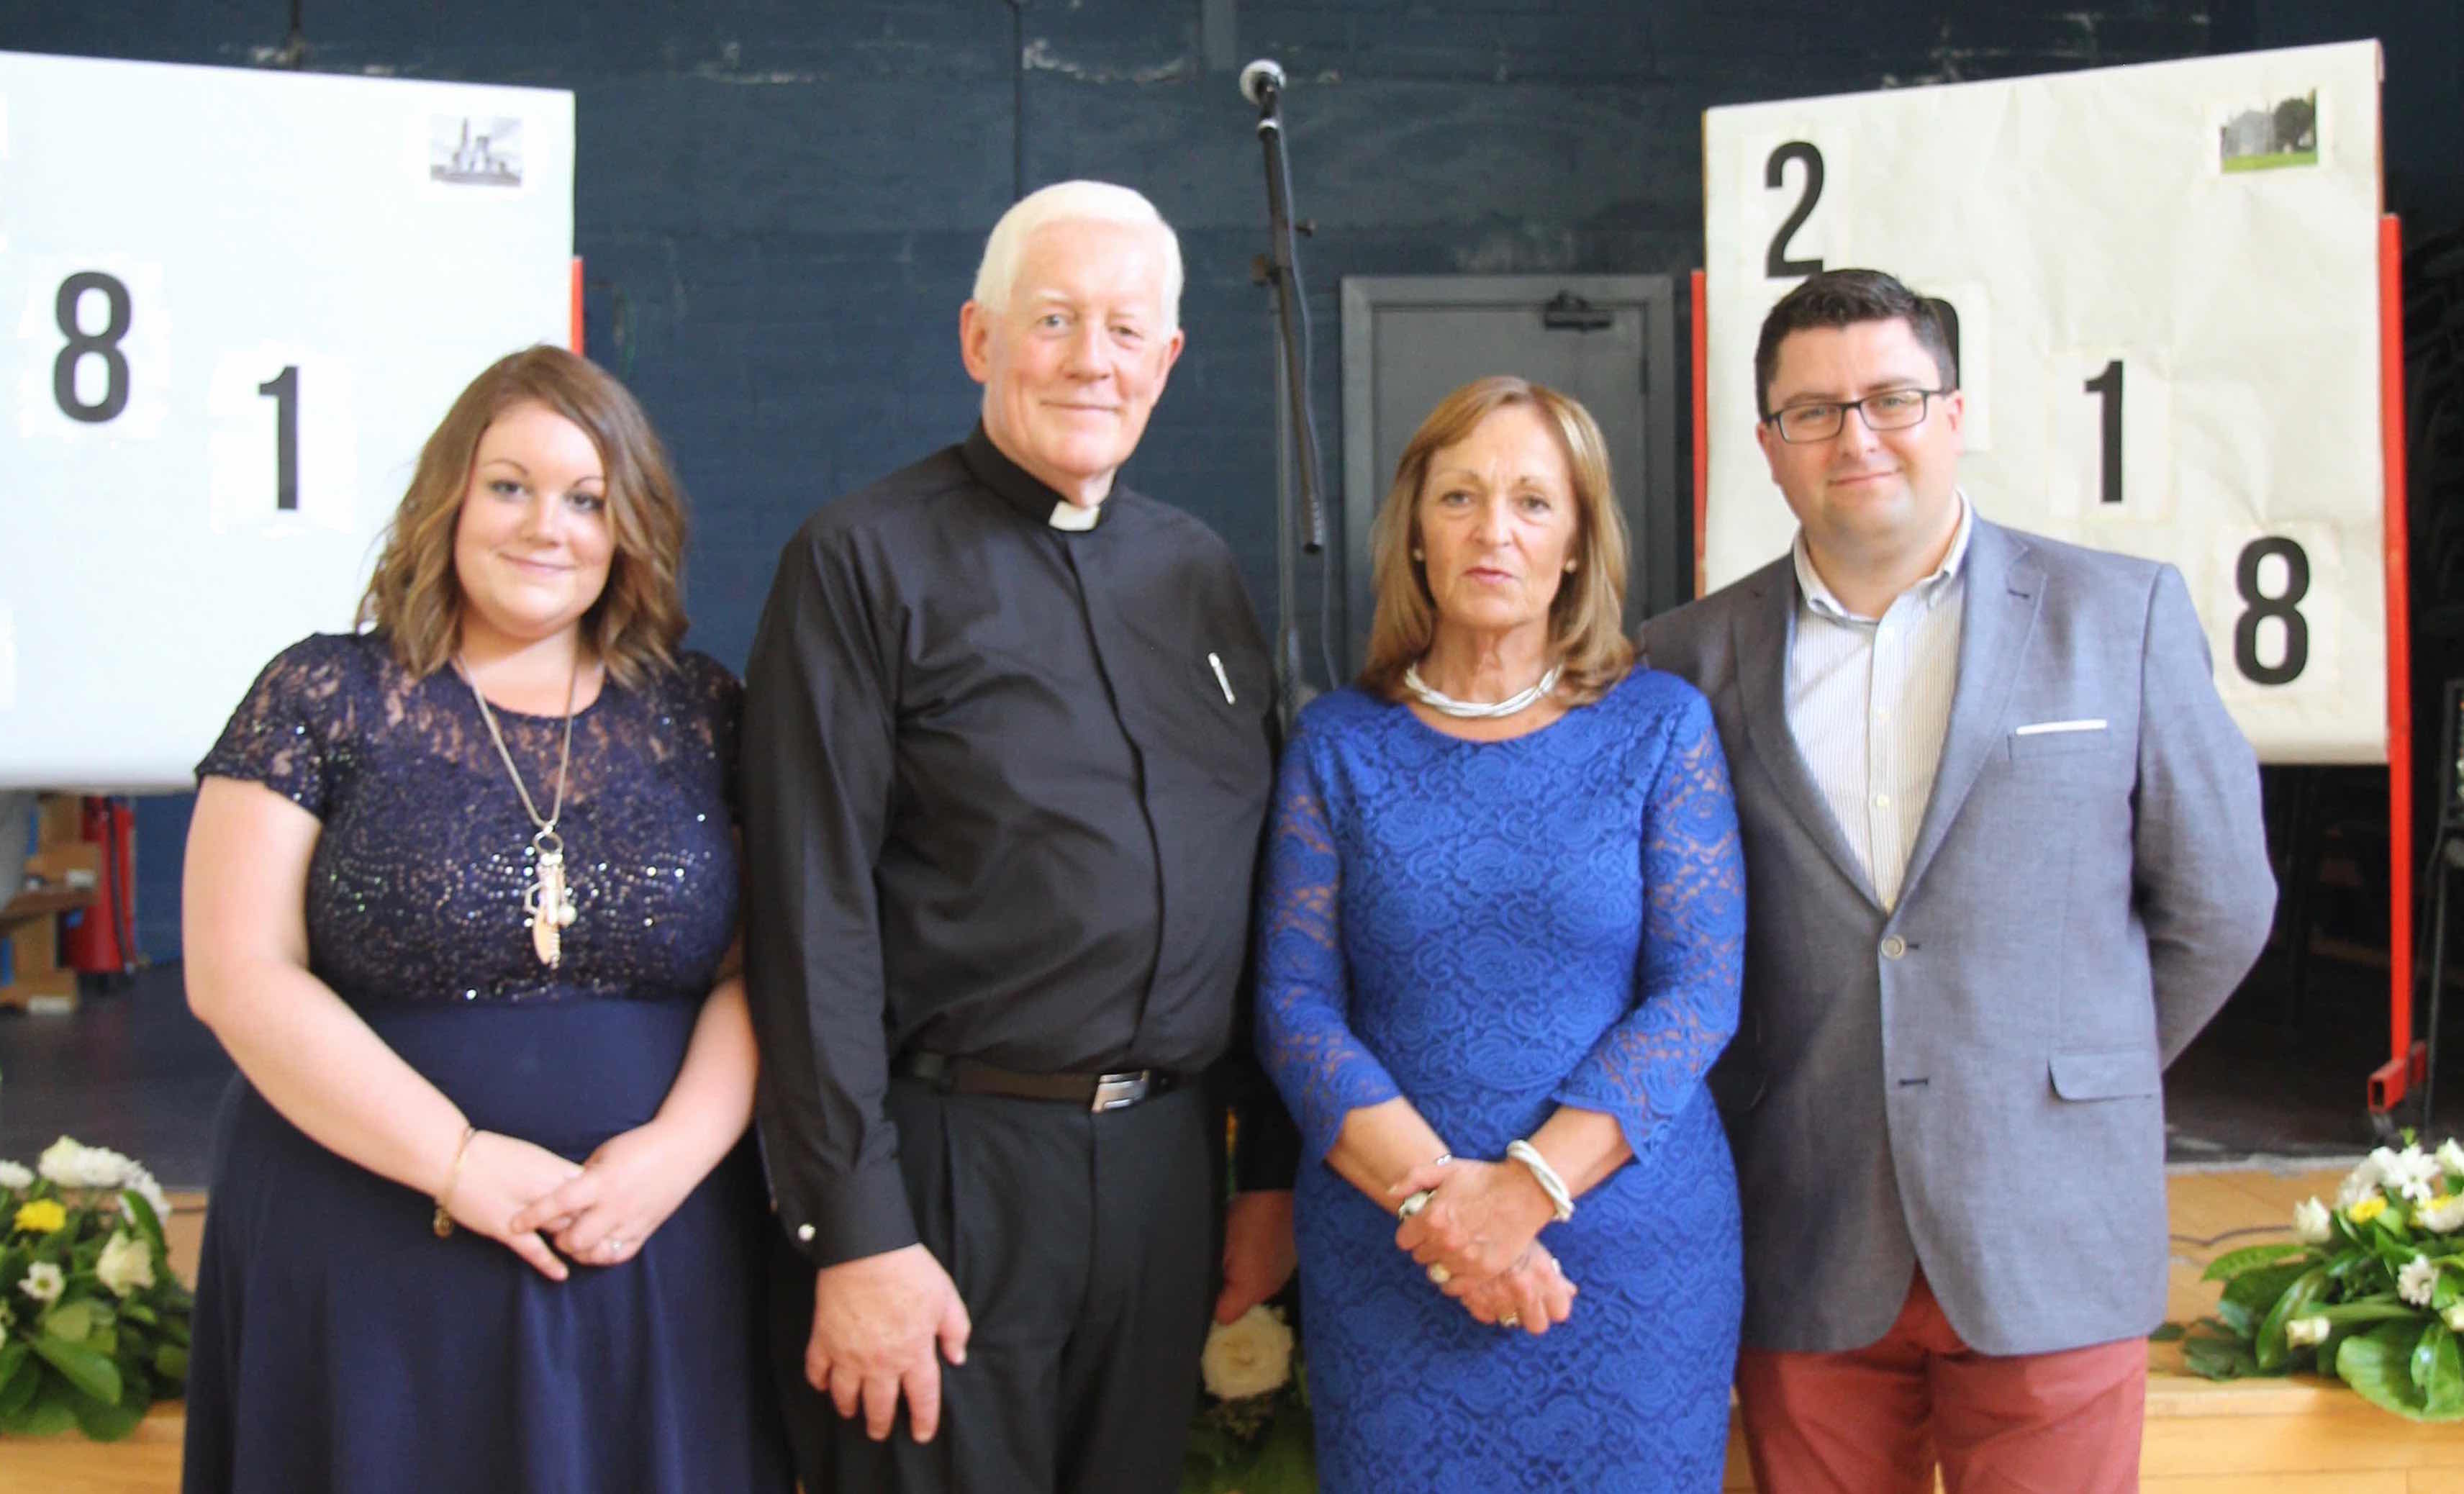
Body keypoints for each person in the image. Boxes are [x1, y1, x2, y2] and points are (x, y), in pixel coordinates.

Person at [1642, 268, 2278, 1494]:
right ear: (1769, 446)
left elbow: (2221, 905)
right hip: (1805, 1218)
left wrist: (2075, 1070)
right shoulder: (1685, 662)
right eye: (1814, 411)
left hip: (2048, 1221)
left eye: (1891, 397)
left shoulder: (2119, 615)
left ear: (1955, 412)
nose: (1857, 434)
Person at [740, 179, 1299, 1494]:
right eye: (1053, 319)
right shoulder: (858, 563)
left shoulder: (1200, 573)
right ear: (980, 340)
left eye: (1124, 329)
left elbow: (1267, 895)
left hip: (1170, 1177)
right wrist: (854, 1234)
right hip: (944, 1177)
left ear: (1167, 359)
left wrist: (1263, 1178)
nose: (1091, 360)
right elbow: (807, 914)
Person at [181, 346, 790, 1494]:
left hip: (649, 1244)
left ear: (629, 530)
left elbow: (760, 970)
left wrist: (673, 1158)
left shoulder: (701, 712)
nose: (545, 526)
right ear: (449, 498)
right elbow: (236, 973)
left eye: (586, 498)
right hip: (367, 1244)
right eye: (509, 485)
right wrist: (454, 1162)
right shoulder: (321, 696)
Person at [1254, 375, 1747, 1492]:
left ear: (1577, 543)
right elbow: (1293, 1008)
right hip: (1396, 1256)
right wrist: (1445, 1211)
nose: (1493, 530)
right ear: (1415, 532)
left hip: (1627, 1258)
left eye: (1534, 501)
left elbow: (1700, 991)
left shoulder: (1660, 727)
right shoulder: (1338, 744)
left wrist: (1521, 1197)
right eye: (1460, 497)